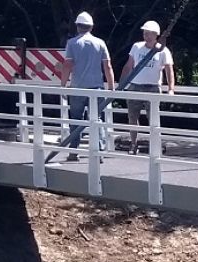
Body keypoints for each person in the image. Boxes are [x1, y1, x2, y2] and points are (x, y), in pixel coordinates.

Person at [57, 11, 114, 162]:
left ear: (77, 26)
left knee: (76, 119)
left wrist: (63, 85)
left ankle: (74, 152)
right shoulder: (100, 43)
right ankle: (99, 152)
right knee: (98, 120)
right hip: (96, 88)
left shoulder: (72, 43)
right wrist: (111, 86)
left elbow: (67, 65)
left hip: (77, 88)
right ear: (91, 27)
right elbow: (107, 66)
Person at [121, 20, 174, 154]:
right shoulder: (137, 47)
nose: (146, 36)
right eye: (145, 33)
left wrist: (171, 88)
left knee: (153, 118)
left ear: (156, 35)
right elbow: (129, 65)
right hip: (135, 86)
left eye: (149, 33)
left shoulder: (163, 51)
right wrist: (122, 83)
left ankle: (155, 146)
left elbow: (169, 70)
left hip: (153, 87)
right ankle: (133, 144)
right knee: (132, 117)